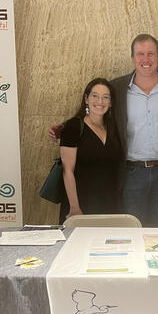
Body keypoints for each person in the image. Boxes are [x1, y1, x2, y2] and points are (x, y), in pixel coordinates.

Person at [49, 34, 158, 227]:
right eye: (140, 54)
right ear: (133, 58)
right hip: (131, 174)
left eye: (150, 53)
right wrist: (67, 128)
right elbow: (98, 113)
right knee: (131, 230)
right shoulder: (118, 87)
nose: (146, 59)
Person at [58, 78, 122, 222]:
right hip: (81, 203)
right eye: (95, 96)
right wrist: (74, 207)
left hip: (110, 203)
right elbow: (67, 170)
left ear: (111, 102)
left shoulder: (113, 128)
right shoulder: (73, 126)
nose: (100, 102)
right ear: (86, 99)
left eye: (105, 97)